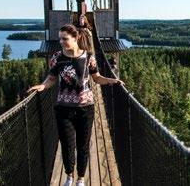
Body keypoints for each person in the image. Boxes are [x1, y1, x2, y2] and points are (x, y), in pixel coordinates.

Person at [28, 24, 124, 186]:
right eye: (60, 38)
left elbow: (97, 78)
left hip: (85, 108)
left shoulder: (88, 57)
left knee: (83, 146)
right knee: (67, 145)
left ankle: (80, 178)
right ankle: (69, 176)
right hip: (63, 108)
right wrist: (42, 86)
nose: (61, 42)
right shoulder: (57, 57)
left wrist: (111, 81)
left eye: (64, 38)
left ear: (76, 38)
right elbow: (51, 78)